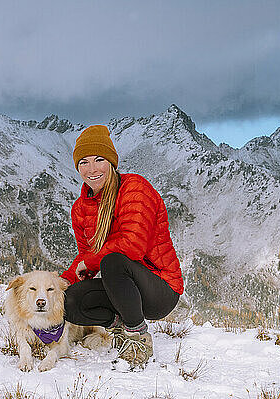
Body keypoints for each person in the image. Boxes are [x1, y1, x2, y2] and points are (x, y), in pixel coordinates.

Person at [60, 124, 184, 368]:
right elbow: (85, 256)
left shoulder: (135, 188)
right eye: (83, 162)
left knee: (113, 261)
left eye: (99, 160)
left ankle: (137, 337)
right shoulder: (80, 208)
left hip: (159, 290)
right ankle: (121, 325)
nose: (92, 169)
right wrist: (60, 284)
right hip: (120, 288)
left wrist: (90, 262)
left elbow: (133, 245)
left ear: (112, 162)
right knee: (69, 301)